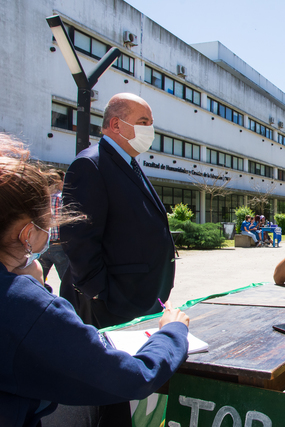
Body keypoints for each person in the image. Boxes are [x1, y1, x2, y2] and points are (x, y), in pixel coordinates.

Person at [0, 134, 190, 427]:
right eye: (48, 224)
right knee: (109, 401)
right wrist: (172, 332)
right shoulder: (24, 303)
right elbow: (134, 377)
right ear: (27, 235)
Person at [60, 93, 177, 329]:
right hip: (112, 305)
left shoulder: (129, 163)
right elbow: (78, 240)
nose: (150, 130)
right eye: (143, 122)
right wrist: (99, 294)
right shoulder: (91, 164)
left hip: (140, 297)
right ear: (116, 124)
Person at [38, 169, 69, 284]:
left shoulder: (41, 199)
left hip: (42, 245)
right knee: (67, 282)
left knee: (38, 280)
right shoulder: (62, 199)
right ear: (58, 182)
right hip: (59, 245)